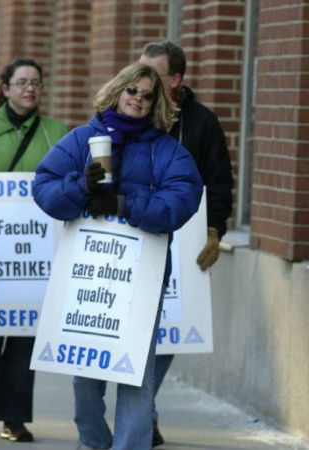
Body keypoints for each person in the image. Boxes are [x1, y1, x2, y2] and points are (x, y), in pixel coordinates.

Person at [31, 62, 202, 450]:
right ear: (117, 92)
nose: (138, 100)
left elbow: (182, 201)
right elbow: (43, 188)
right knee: (85, 370)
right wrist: (80, 186)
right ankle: (92, 440)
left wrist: (126, 202)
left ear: (156, 103)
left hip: (141, 275)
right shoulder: (81, 140)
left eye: (147, 95)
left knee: (136, 372)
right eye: (132, 91)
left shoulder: (167, 150)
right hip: (87, 273)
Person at [0, 57, 68, 442]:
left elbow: (68, 184)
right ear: (5, 88)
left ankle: (14, 417)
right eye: (22, 82)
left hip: (36, 251)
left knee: (26, 334)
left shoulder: (57, 133)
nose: (30, 89)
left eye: (36, 82)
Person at [139, 40, 234, 447]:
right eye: (138, 71)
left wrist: (215, 230)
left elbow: (219, 181)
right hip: (137, 235)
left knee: (169, 332)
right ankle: (142, 414)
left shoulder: (201, 122)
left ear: (176, 79)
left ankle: (145, 410)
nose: (142, 83)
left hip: (183, 242)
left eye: (153, 74)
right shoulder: (134, 111)